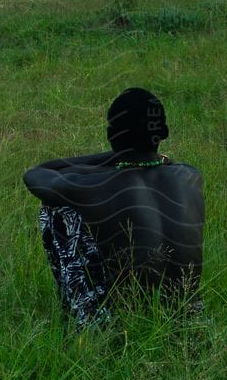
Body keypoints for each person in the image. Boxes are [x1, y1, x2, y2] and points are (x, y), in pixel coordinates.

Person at [23, 88, 205, 327]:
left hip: (124, 324)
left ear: (111, 134)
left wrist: (116, 155)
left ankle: (84, 317)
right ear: (163, 134)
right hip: (185, 316)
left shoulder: (94, 185)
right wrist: (135, 155)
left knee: (56, 208)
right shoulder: (190, 175)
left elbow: (37, 173)